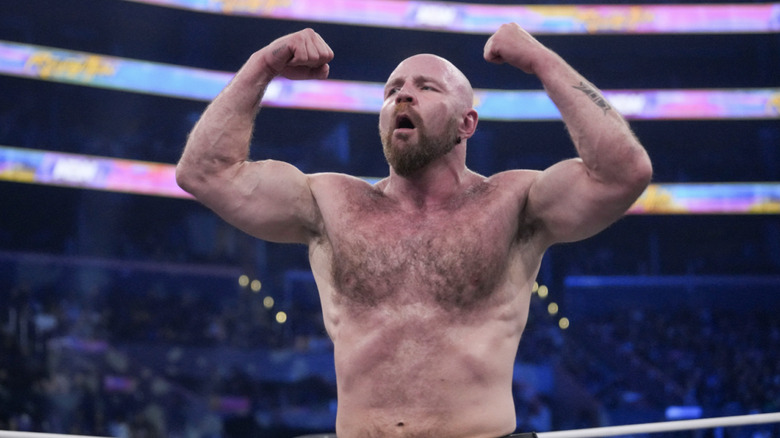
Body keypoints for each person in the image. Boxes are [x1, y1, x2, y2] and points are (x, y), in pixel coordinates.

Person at [176, 23, 652, 438]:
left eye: (427, 87)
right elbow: (203, 172)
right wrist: (262, 65)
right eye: (392, 89)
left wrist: (541, 60)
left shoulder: (514, 202)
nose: (403, 95)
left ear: (467, 123)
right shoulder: (330, 203)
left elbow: (623, 172)